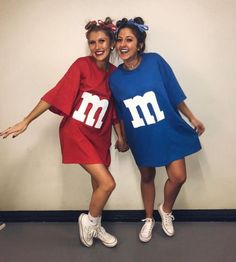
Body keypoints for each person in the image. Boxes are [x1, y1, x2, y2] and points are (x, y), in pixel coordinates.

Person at [0, 17, 128, 247]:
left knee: (98, 184)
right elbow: (55, 94)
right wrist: (26, 120)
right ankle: (88, 221)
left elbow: (115, 109)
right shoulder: (81, 65)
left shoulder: (115, 74)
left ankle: (96, 226)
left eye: (101, 41)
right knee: (108, 183)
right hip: (76, 132)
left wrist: (120, 136)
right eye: (92, 42)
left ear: (111, 43)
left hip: (99, 136)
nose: (97, 46)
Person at [109, 17, 205, 243]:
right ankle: (149, 218)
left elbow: (174, 93)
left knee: (178, 177)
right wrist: (121, 137)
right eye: (119, 39)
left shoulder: (155, 61)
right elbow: (119, 112)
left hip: (167, 128)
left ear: (139, 44)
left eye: (129, 39)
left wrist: (192, 117)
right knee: (148, 175)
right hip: (140, 134)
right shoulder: (114, 78)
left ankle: (166, 210)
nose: (123, 44)